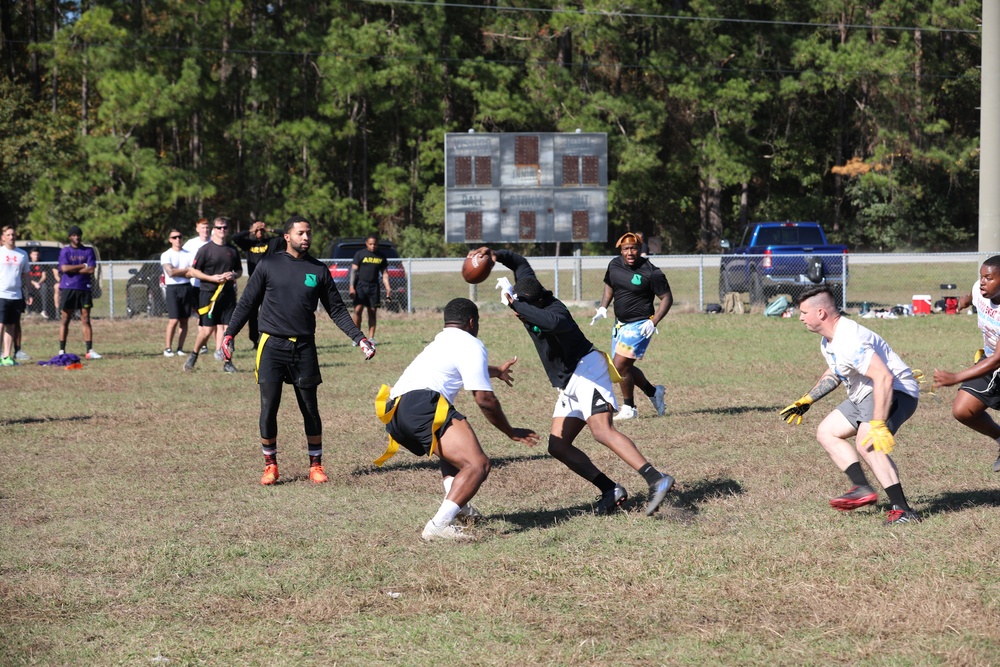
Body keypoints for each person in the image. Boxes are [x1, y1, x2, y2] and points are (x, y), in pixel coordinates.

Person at [473, 246, 675, 517]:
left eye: (523, 310)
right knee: (558, 445)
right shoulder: (530, 292)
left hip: (588, 370)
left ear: (533, 304)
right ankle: (609, 489)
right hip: (569, 382)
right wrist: (495, 254)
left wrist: (515, 304)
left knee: (601, 431)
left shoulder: (556, 311)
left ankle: (656, 478)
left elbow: (552, 323)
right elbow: (520, 263)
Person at [222, 215, 377, 486]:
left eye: (309, 233)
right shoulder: (269, 264)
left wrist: (359, 338)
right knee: (269, 408)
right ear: (287, 236)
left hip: (304, 346)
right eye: (301, 233)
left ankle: (315, 465)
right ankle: (270, 465)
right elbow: (247, 303)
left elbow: (337, 310)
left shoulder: (318, 270)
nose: (306, 238)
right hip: (270, 345)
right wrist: (229, 333)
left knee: (310, 409)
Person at [376, 298, 539, 541]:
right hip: (422, 406)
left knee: (455, 455)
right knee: (478, 464)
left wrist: (496, 371)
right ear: (472, 322)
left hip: (395, 411)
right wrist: (510, 431)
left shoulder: (441, 341)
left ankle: (459, 507)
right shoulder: (470, 343)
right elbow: (485, 400)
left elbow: (466, 367)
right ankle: (439, 525)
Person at [781, 286, 921, 525]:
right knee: (827, 432)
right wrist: (808, 399)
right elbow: (836, 372)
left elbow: (884, 377)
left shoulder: (850, 340)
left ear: (821, 313)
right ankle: (862, 488)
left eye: (804, 312)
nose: (801, 317)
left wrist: (876, 424)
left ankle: (904, 510)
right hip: (865, 391)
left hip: (895, 391)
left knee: (867, 443)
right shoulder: (829, 340)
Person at [591, 232, 671, 420]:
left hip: (640, 325)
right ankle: (653, 392)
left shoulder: (651, 272)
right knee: (623, 366)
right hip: (620, 324)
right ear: (621, 250)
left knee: (619, 366)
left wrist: (654, 321)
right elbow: (609, 285)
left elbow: (667, 297)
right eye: (626, 248)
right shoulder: (614, 265)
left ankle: (629, 408)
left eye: (634, 248)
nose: (630, 252)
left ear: (640, 249)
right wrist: (603, 307)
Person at [932, 255, 1000, 473]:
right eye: (981, 277)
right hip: (989, 362)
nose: (982, 282)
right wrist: (963, 301)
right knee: (963, 410)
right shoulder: (980, 291)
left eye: (988, 278)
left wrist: (956, 378)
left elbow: (998, 358)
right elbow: (972, 294)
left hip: (995, 362)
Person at [184, 217, 242, 373]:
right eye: (219, 227)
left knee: (230, 330)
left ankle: (227, 362)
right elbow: (193, 271)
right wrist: (212, 278)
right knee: (207, 331)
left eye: (225, 227)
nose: (222, 230)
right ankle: (193, 356)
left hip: (228, 295)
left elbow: (239, 271)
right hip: (208, 295)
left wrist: (233, 275)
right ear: (214, 230)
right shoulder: (205, 249)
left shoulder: (232, 250)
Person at [231, 220, 284, 348]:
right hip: (253, 281)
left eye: (261, 230)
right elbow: (235, 238)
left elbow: (285, 234)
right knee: (252, 313)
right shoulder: (249, 244)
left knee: (268, 311)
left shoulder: (271, 243)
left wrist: (269, 229)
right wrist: (250, 230)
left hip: (269, 281)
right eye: (256, 230)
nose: (259, 232)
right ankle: (255, 340)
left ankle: (268, 338)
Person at [57, 225, 101, 359]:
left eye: (78, 235)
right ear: (70, 237)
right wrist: (82, 266)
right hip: (68, 288)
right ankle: (61, 351)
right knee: (65, 319)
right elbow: (64, 268)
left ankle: (89, 350)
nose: (77, 237)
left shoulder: (88, 251)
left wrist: (73, 269)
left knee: (86, 319)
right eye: (74, 235)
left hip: (84, 288)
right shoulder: (65, 251)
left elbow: (91, 269)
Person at [349, 233, 392, 343]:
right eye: (370, 244)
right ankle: (357, 337)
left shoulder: (381, 256)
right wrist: (351, 286)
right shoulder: (360, 254)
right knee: (357, 310)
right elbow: (353, 271)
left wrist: (388, 288)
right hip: (360, 286)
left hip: (374, 287)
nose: (373, 246)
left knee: (372, 312)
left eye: (375, 244)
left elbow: (385, 274)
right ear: (366, 244)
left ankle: (371, 338)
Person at [160, 228, 194, 357]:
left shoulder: (189, 254)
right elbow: (170, 272)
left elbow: (192, 273)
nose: (177, 239)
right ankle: (168, 348)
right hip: (172, 288)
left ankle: (180, 348)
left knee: (184, 320)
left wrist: (182, 271)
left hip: (186, 287)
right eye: (174, 237)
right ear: (170, 240)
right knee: (173, 320)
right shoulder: (166, 254)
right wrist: (186, 270)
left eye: (179, 237)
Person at [0, 226, 30, 366]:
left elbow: (26, 275)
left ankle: (6, 357)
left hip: (16, 296)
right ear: (3, 237)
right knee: (0, 325)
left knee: (11, 326)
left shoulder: (22, 254)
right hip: (1, 294)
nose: (12, 237)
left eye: (13, 234)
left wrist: (29, 292)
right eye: (8, 235)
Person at [183, 218, 211, 354]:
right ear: (197, 229)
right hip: (197, 286)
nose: (205, 230)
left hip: (214, 286)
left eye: (207, 227)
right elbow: (187, 264)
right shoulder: (191, 244)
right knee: (201, 315)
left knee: (215, 316)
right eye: (202, 227)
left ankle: (219, 345)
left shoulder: (214, 241)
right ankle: (203, 344)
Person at [25, 248, 48, 318]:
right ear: (30, 255)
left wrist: (38, 283)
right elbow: (26, 276)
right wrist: (34, 283)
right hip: (30, 283)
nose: (36, 256)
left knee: (44, 287)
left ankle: (44, 311)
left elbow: (44, 276)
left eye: (37, 254)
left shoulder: (42, 263)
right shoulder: (27, 263)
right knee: (26, 289)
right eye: (34, 254)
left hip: (40, 283)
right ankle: (28, 312)